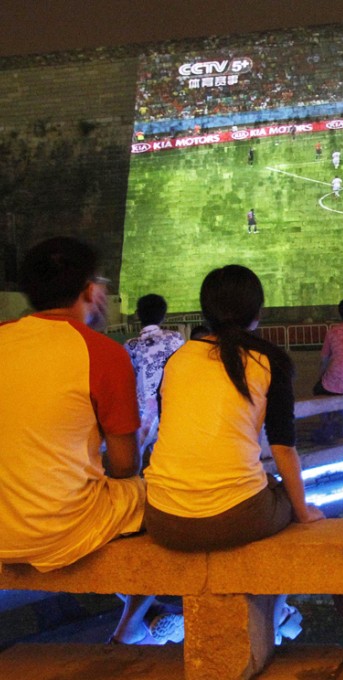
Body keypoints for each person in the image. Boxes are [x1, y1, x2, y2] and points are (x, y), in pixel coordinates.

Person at [0, 237, 177, 645]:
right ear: (89, 290)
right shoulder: (101, 353)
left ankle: (141, 613)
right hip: (55, 528)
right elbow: (124, 467)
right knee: (173, 497)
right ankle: (138, 619)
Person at [143, 265, 324, 646]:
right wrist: (303, 509)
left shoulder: (177, 361)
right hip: (238, 516)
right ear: (256, 311)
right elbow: (283, 447)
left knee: (266, 489)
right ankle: (278, 613)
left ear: (204, 311)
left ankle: (266, 616)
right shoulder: (266, 361)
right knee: (285, 498)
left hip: (163, 518)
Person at [124, 294, 185, 459]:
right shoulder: (175, 339)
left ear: (138, 314)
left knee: (134, 463)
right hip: (169, 410)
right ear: (164, 315)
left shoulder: (130, 346)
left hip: (141, 413)